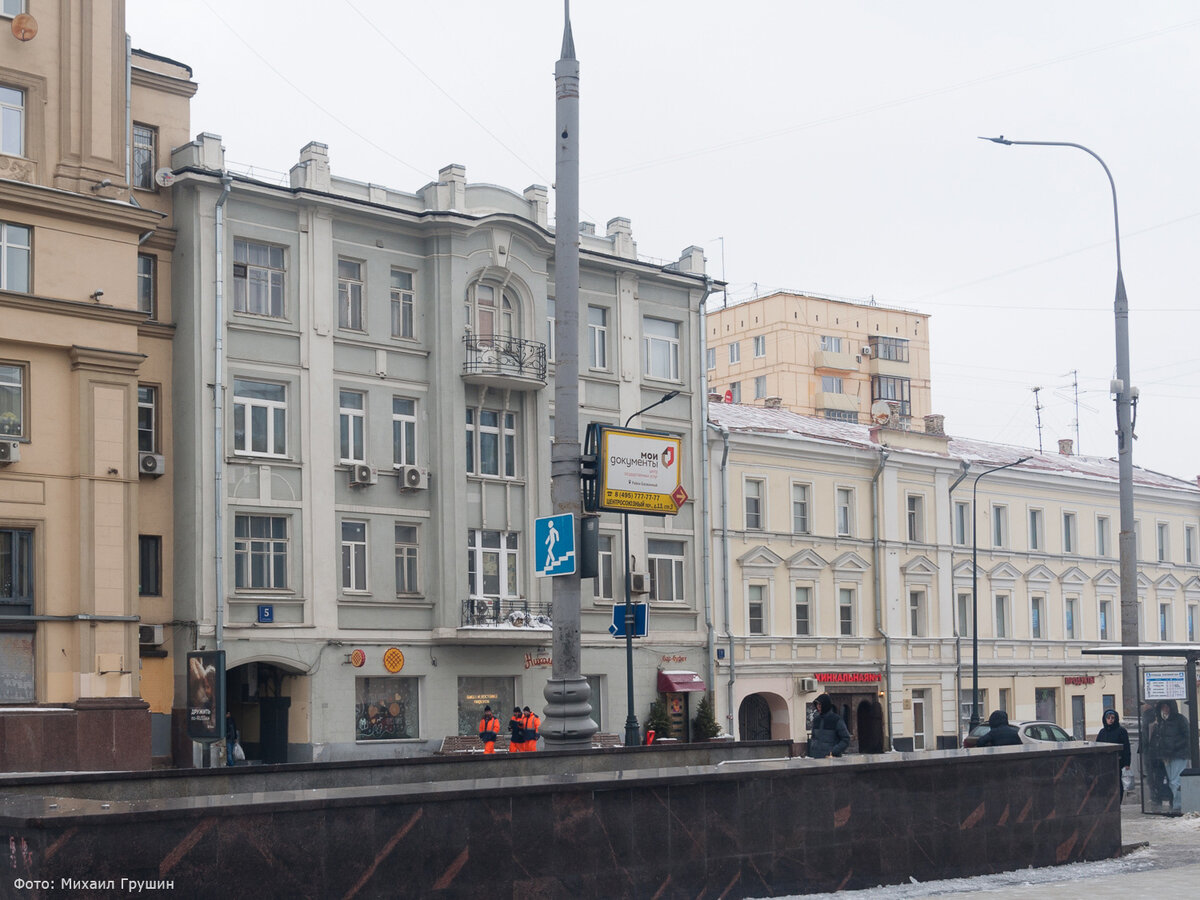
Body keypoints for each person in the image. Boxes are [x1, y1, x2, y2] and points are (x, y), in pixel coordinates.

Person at [1148, 699, 1189, 813]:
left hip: (1178, 755)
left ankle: (1178, 806)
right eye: (1163, 707)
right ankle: (1177, 805)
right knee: (1172, 781)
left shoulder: (1180, 719)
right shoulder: (1161, 721)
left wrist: (1174, 747)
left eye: (1167, 707)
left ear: (1172, 707)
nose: (1165, 709)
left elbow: (1187, 737)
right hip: (1166, 756)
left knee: (1176, 781)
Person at [1095, 708, 1131, 799]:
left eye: (1112, 718)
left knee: (1117, 783)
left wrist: (1127, 763)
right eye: (1108, 718)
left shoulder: (1121, 731)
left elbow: (1126, 747)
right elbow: (1097, 746)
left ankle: (1117, 802)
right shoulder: (1102, 732)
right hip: (1104, 763)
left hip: (1118, 762)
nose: (1110, 720)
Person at [808, 694, 850, 758]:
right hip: (817, 758)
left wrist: (834, 752)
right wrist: (813, 749)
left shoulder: (836, 720)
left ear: (825, 705)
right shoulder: (816, 720)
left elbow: (846, 739)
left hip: (832, 759)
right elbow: (814, 737)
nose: (818, 707)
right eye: (817, 705)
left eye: (820, 705)